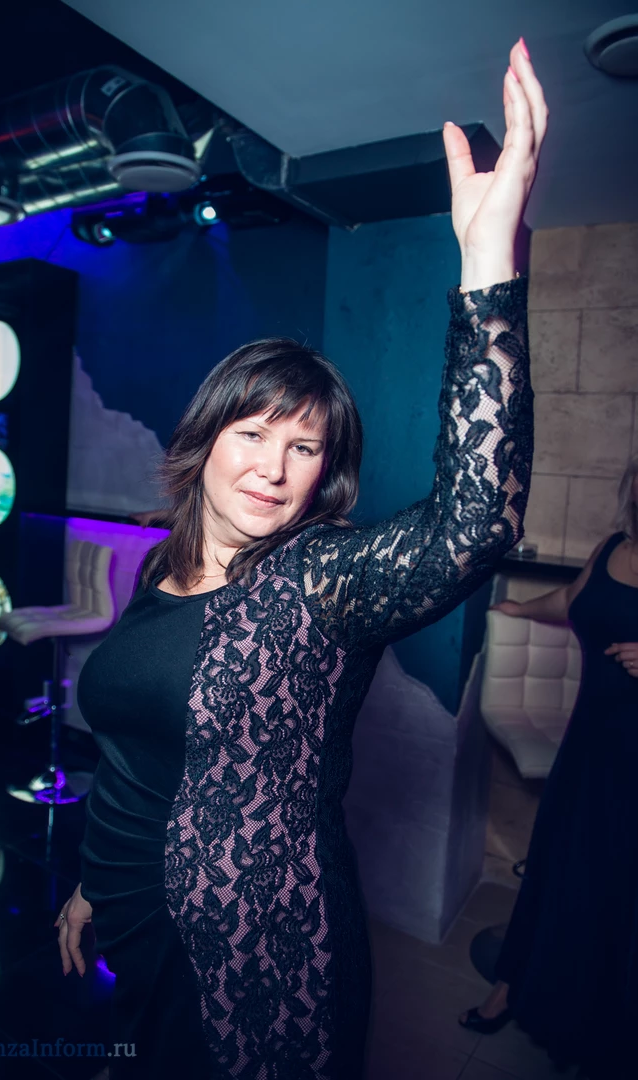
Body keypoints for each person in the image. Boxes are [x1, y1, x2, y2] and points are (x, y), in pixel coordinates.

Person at [55, 39, 547, 1080]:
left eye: (304, 447)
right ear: (205, 439)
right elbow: (141, 757)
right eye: (252, 433)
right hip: (130, 909)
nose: (273, 467)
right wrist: (93, 882)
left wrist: (487, 262)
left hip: (250, 945)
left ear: (326, 471)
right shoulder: (160, 566)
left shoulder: (316, 581)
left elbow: (475, 524)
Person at [459, 457, 638, 1079]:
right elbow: (571, 599)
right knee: (556, 864)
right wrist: (518, 610)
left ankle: (596, 1028)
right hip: (589, 742)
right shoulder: (613, 547)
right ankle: (513, 987)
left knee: (612, 886)